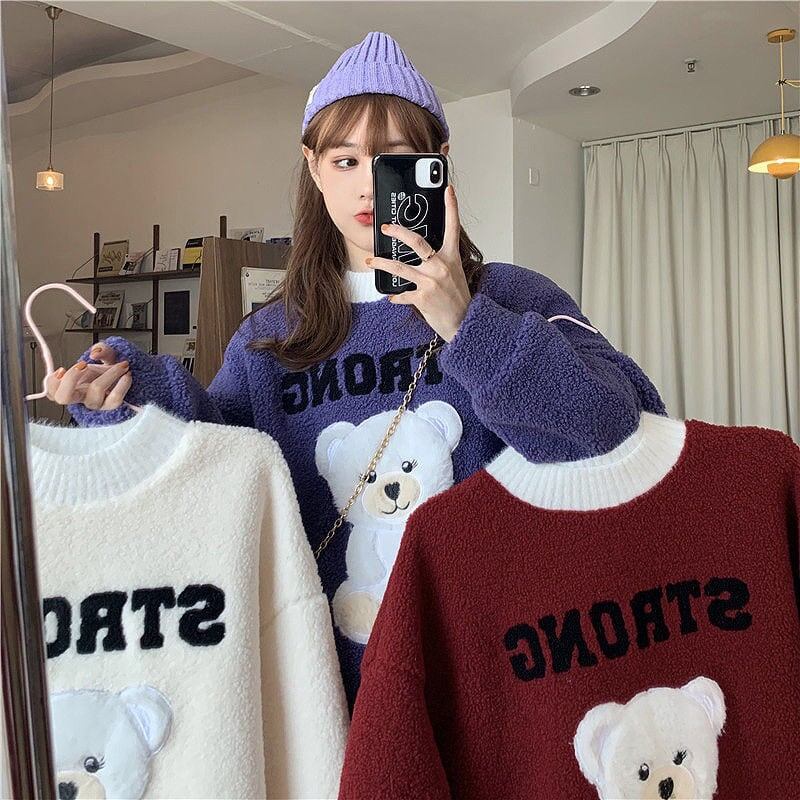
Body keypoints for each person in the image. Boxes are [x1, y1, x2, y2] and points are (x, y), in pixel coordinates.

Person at [45, 31, 667, 710]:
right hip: (336, 685)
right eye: (345, 160)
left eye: (395, 159)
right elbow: (222, 469)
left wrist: (467, 322)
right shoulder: (271, 336)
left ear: (439, 161)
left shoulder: (515, 296)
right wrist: (133, 396)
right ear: (314, 169)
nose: (369, 184)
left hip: (503, 677)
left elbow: (624, 433)